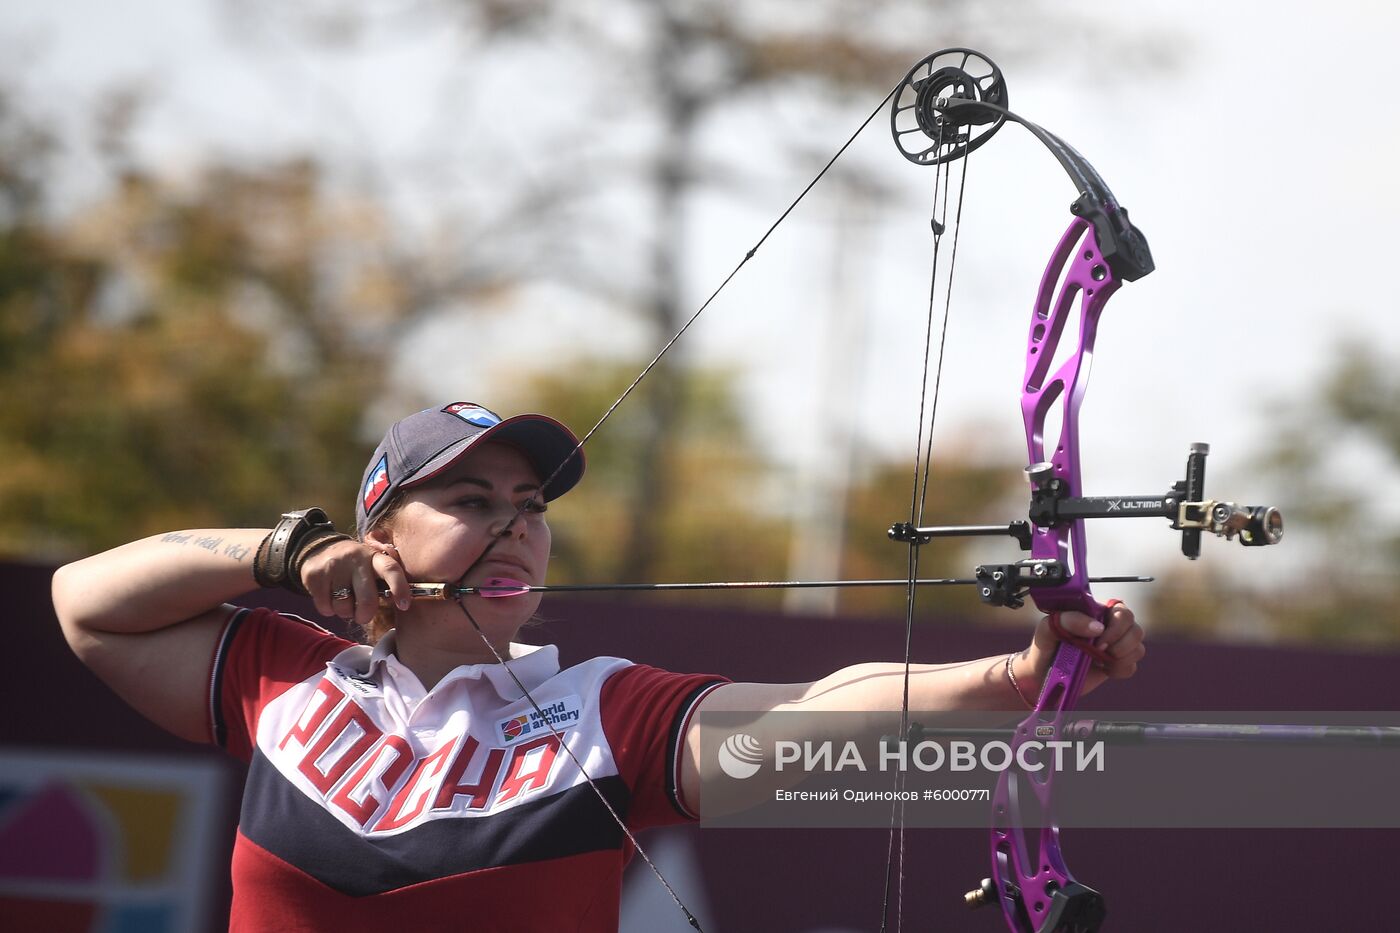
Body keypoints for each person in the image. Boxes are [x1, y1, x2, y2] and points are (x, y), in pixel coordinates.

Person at [51, 400, 1145, 932]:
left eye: (530, 511)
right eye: (470, 502)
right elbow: (88, 604)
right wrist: (279, 551)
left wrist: (1011, 679)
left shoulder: (593, 709)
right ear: (378, 537)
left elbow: (813, 707)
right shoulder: (286, 679)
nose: (514, 529)